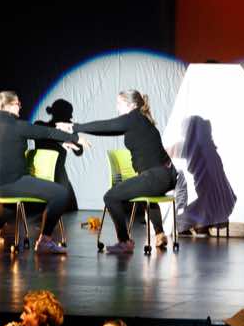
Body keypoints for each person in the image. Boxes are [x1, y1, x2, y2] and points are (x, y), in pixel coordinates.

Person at [61, 89, 176, 254]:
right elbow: (110, 129)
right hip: (167, 175)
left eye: (119, 104)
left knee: (110, 197)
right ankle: (159, 234)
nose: (117, 107)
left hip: (156, 176)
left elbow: (106, 126)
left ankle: (124, 242)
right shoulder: (140, 119)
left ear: (132, 105)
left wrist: (75, 127)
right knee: (146, 195)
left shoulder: (133, 118)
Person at [0, 91, 88, 254]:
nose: (20, 107)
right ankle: (45, 241)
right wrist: (76, 138)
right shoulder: (17, 126)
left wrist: (63, 140)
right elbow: (47, 132)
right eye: (18, 104)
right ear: (9, 106)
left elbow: (45, 132)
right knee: (60, 193)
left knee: (9, 200)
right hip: (9, 183)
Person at [34, 98, 84, 212]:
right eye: (69, 113)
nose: (71, 117)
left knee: (71, 208)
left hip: (59, 173)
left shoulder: (67, 130)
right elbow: (46, 135)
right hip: (42, 173)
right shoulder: (40, 125)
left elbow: (79, 151)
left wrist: (72, 132)